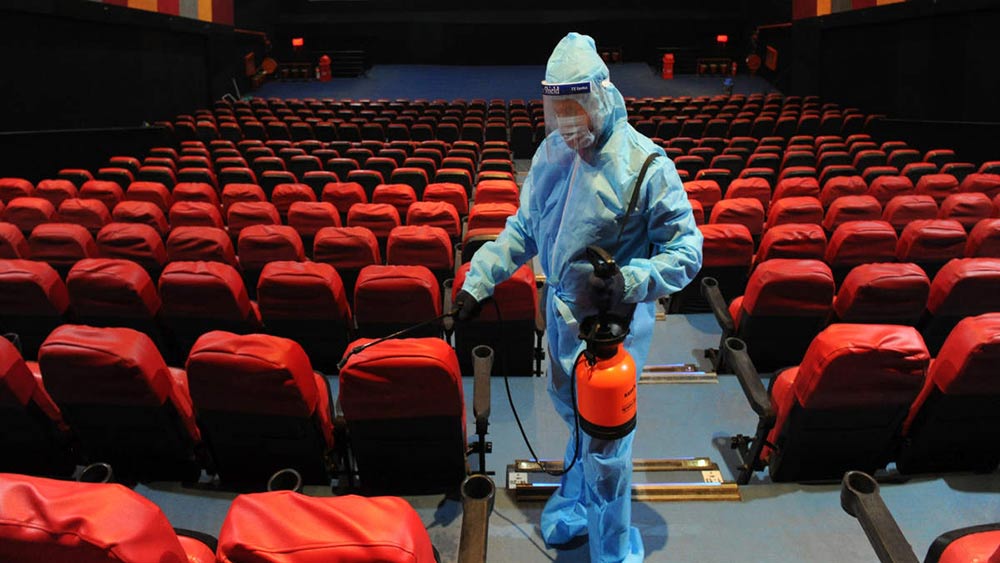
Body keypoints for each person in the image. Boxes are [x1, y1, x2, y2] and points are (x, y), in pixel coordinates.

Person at [455, 32, 703, 562]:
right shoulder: (551, 155)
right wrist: (478, 282)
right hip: (561, 321)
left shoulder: (644, 166)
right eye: (558, 109)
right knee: (576, 424)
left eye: (575, 107)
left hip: (610, 334)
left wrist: (630, 280)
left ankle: (611, 549)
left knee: (607, 445)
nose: (566, 120)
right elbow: (523, 230)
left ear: (600, 97)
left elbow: (687, 251)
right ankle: (574, 503)